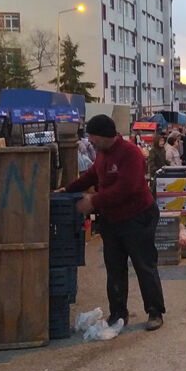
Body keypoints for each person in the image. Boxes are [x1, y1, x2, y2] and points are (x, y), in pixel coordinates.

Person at [57, 114, 165, 331]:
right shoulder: (101, 155)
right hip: (112, 220)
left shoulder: (131, 154)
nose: (91, 142)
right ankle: (117, 313)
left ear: (106, 136)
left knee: (144, 265)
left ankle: (155, 311)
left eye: (94, 137)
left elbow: (127, 188)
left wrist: (94, 201)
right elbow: (92, 176)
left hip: (138, 217)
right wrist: (68, 189)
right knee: (114, 268)